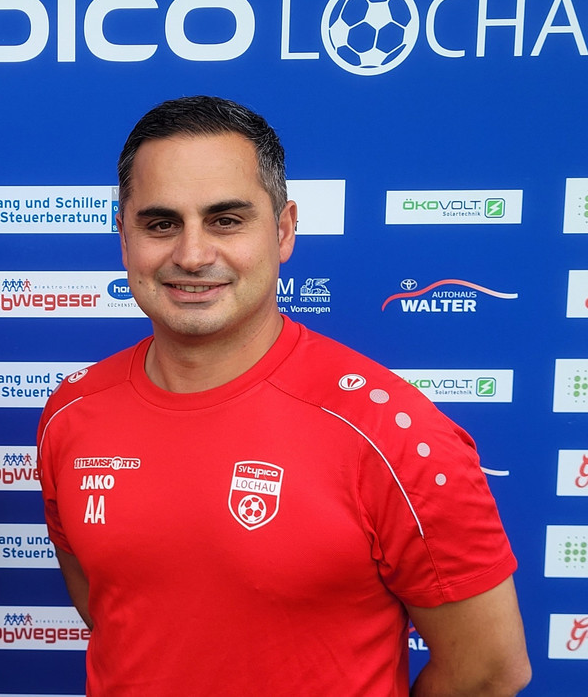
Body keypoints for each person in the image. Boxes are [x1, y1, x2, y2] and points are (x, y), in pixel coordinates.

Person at [37, 95, 531, 695]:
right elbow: (110, 612)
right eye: (160, 224)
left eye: (226, 220)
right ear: (123, 236)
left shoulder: (392, 431)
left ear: (284, 229)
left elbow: (488, 672)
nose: (191, 255)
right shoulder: (73, 411)